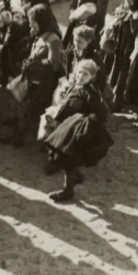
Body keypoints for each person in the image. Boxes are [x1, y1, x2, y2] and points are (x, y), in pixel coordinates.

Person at [43, 59, 114, 203]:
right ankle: (72, 179)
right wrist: (57, 118)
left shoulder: (91, 93)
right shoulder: (76, 87)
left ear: (92, 77)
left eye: (86, 74)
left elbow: (101, 115)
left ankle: (68, 191)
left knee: (70, 159)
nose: (81, 76)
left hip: (80, 132)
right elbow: (67, 106)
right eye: (80, 72)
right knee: (67, 159)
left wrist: (86, 121)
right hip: (69, 129)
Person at [0, 4, 63, 147]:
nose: (31, 25)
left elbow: (54, 65)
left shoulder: (53, 40)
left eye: (33, 22)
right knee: (15, 96)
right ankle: (16, 124)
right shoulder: (39, 35)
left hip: (43, 83)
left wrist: (34, 63)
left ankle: (18, 136)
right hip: (33, 77)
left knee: (25, 106)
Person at [101, 0, 138, 111]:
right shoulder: (128, 10)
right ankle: (110, 98)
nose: (126, 1)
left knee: (125, 76)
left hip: (132, 50)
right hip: (122, 46)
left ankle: (118, 101)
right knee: (115, 71)